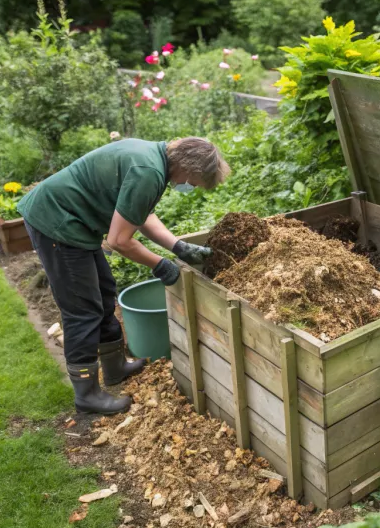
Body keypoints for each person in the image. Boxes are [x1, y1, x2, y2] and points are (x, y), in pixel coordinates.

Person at [18, 137, 231, 415]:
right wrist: (159, 265)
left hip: (76, 223)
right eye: (195, 182)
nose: (190, 187)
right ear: (188, 168)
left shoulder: (153, 158)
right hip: (57, 223)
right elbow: (118, 240)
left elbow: (139, 215)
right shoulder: (149, 171)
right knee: (82, 310)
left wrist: (177, 246)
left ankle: (114, 366)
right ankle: (87, 394)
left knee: (104, 291)